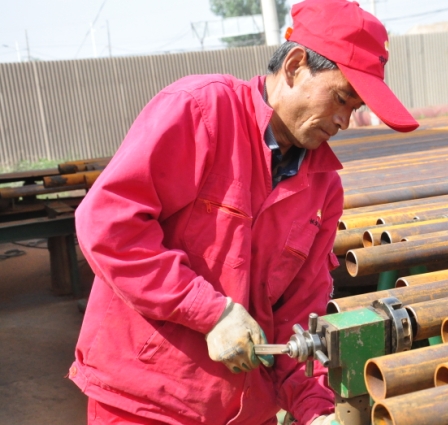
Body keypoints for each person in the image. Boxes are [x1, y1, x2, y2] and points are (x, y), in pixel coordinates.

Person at [67, 0, 418, 424]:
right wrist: (210, 312)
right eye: (341, 97)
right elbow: (108, 226)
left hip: (246, 411)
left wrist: (317, 409)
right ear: (294, 66)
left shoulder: (323, 189)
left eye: (355, 108)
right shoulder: (201, 111)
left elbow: (298, 318)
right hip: (147, 401)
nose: (345, 119)